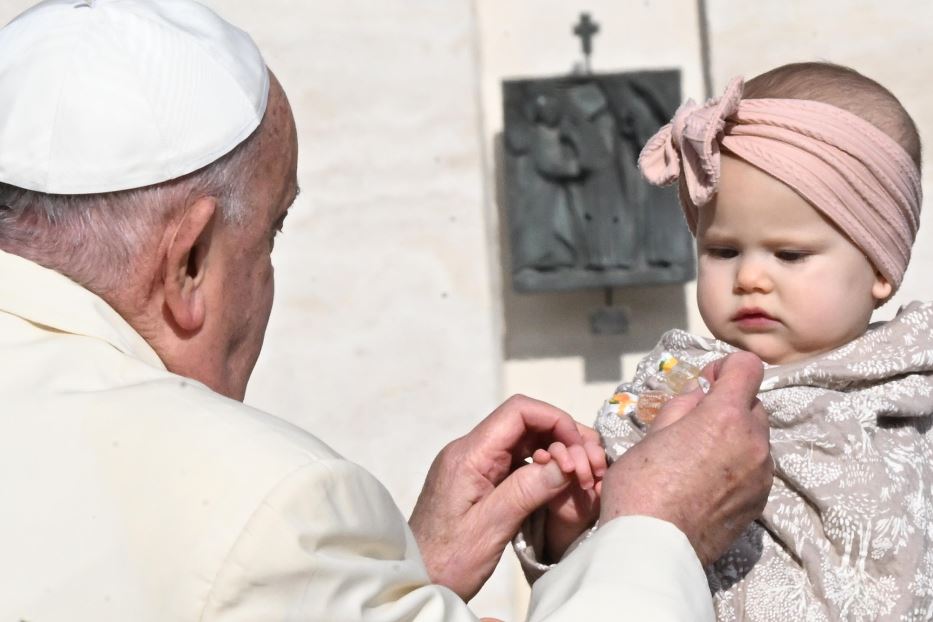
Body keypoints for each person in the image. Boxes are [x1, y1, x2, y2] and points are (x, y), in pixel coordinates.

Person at [0, 1, 773, 620]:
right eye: (271, 233)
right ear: (189, 262)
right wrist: (654, 533)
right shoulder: (262, 509)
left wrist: (396, 577)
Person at [529, 62, 932, 620]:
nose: (750, 279)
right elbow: (621, 555)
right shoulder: (673, 384)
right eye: (723, 251)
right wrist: (571, 522)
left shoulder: (914, 385)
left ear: (880, 269)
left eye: (788, 255)